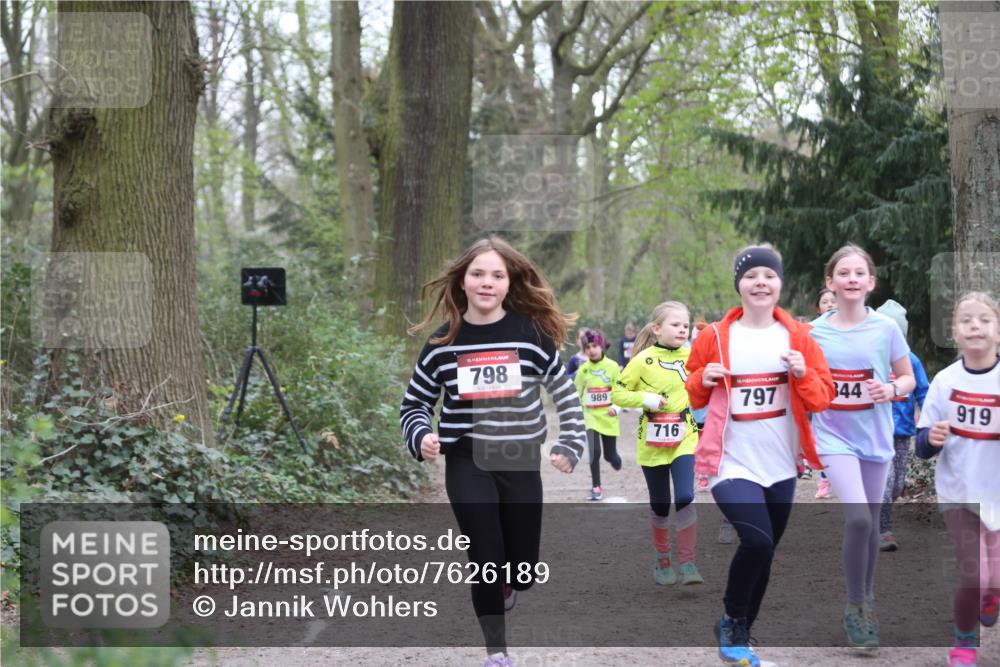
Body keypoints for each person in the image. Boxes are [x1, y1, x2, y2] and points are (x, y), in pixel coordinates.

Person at [399, 236, 585, 667]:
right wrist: (420, 436)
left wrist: (571, 441)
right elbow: (415, 404)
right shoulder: (442, 343)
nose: (487, 282)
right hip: (467, 462)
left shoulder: (531, 335)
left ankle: (508, 583)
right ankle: (497, 652)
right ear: (462, 282)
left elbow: (564, 392)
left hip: (518, 459)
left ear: (509, 283)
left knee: (520, 565)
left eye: (497, 275)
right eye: (478, 274)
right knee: (484, 556)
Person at [686, 244, 834, 667]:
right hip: (731, 460)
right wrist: (704, 378)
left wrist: (803, 375)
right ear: (739, 284)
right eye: (751, 276)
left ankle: (741, 632)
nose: (760, 282)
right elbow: (692, 390)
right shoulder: (714, 336)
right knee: (756, 539)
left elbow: (823, 398)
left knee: (765, 551)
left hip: (781, 463)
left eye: (769, 276)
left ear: (780, 284)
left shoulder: (799, 337)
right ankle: (733, 622)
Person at [808, 244, 916, 651]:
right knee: (858, 520)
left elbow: (906, 379)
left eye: (859, 273)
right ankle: (856, 605)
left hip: (875, 437)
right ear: (830, 281)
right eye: (843, 273)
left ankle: (866, 600)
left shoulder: (885, 328)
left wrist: (888, 388)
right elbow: (804, 382)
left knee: (870, 524)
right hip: (833, 436)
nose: (851, 279)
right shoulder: (814, 332)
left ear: (870, 282)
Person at [915, 291, 999, 667]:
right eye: (966, 320)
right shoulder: (945, 382)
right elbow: (921, 446)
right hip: (960, 492)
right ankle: (963, 643)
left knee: (993, 579)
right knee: (973, 575)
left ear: (997, 329)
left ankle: (992, 594)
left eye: (984, 319)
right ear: (955, 332)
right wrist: (931, 439)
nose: (975, 326)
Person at [612, 301, 704, 586]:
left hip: (684, 438)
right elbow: (617, 392)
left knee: (686, 496)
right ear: (657, 328)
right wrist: (645, 400)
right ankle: (663, 558)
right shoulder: (642, 360)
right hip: (652, 442)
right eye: (675, 325)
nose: (682, 330)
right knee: (661, 504)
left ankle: (688, 562)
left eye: (685, 326)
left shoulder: (693, 355)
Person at [874, 299, 929, 551]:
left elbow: (923, 392)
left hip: (903, 433)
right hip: (876, 431)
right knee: (886, 483)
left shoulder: (912, 361)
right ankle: (883, 530)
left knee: (897, 485)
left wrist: (927, 421)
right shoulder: (871, 358)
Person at [574, 329, 622, 501]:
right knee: (594, 452)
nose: (591, 350)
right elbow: (576, 393)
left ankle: (615, 458)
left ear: (602, 346)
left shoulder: (613, 367)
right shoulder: (583, 370)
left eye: (595, 346)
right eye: (588, 347)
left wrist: (616, 407)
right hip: (590, 416)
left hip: (608, 416)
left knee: (609, 455)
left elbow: (621, 391)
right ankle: (596, 487)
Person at [814, 287, 837, 499]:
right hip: (821, 392)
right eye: (824, 302)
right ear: (818, 309)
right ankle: (824, 479)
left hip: (845, 394)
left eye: (833, 300)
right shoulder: (813, 332)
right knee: (822, 436)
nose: (829, 304)